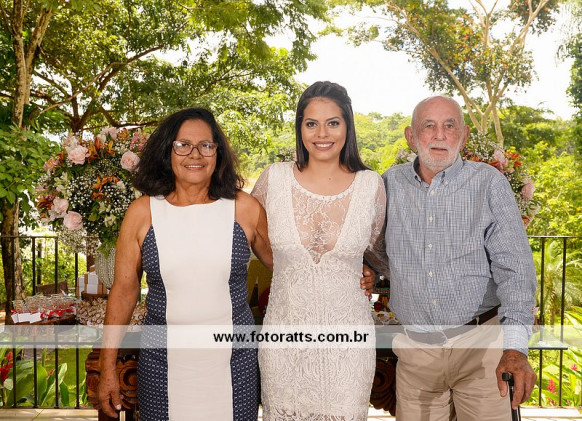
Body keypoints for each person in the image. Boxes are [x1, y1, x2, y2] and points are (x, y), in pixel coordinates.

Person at [97, 108, 273, 420]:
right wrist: (107, 366)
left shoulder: (244, 208)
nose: (195, 154)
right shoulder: (142, 213)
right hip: (161, 365)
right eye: (183, 145)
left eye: (206, 145)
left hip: (235, 364)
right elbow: (124, 292)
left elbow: (289, 269)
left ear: (217, 153)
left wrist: (355, 270)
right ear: (168, 151)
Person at [382, 95, 537, 420]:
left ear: (463, 136)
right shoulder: (389, 183)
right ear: (411, 136)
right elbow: (374, 248)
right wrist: (368, 270)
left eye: (449, 126)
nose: (439, 135)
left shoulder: (489, 184)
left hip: (481, 348)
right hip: (416, 352)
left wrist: (514, 348)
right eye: (429, 125)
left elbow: (516, 271)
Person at [251, 81, 389, 420]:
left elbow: (376, 251)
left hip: (349, 347)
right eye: (311, 123)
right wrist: (287, 269)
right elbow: (253, 242)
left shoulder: (371, 185)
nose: (322, 134)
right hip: (284, 342)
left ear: (347, 126)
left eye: (333, 122)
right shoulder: (273, 180)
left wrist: (368, 271)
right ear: (300, 127)